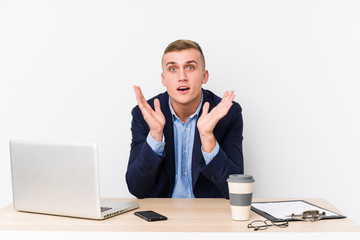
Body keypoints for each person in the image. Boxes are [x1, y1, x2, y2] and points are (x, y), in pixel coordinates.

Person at [126, 39, 244, 199]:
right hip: (161, 217)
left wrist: (208, 138)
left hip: (207, 217)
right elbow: (136, 188)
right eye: (173, 69)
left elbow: (236, 190)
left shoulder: (227, 113)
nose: (182, 77)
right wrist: (155, 135)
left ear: (204, 76)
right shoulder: (145, 114)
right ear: (163, 79)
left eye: (190, 67)